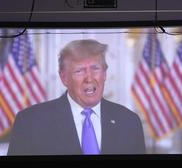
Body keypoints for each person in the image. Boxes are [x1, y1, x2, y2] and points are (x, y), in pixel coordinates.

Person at [8, 39, 146, 155]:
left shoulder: (129, 122)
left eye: (95, 68)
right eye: (79, 70)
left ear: (104, 74)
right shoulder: (30, 122)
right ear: (64, 78)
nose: (89, 78)